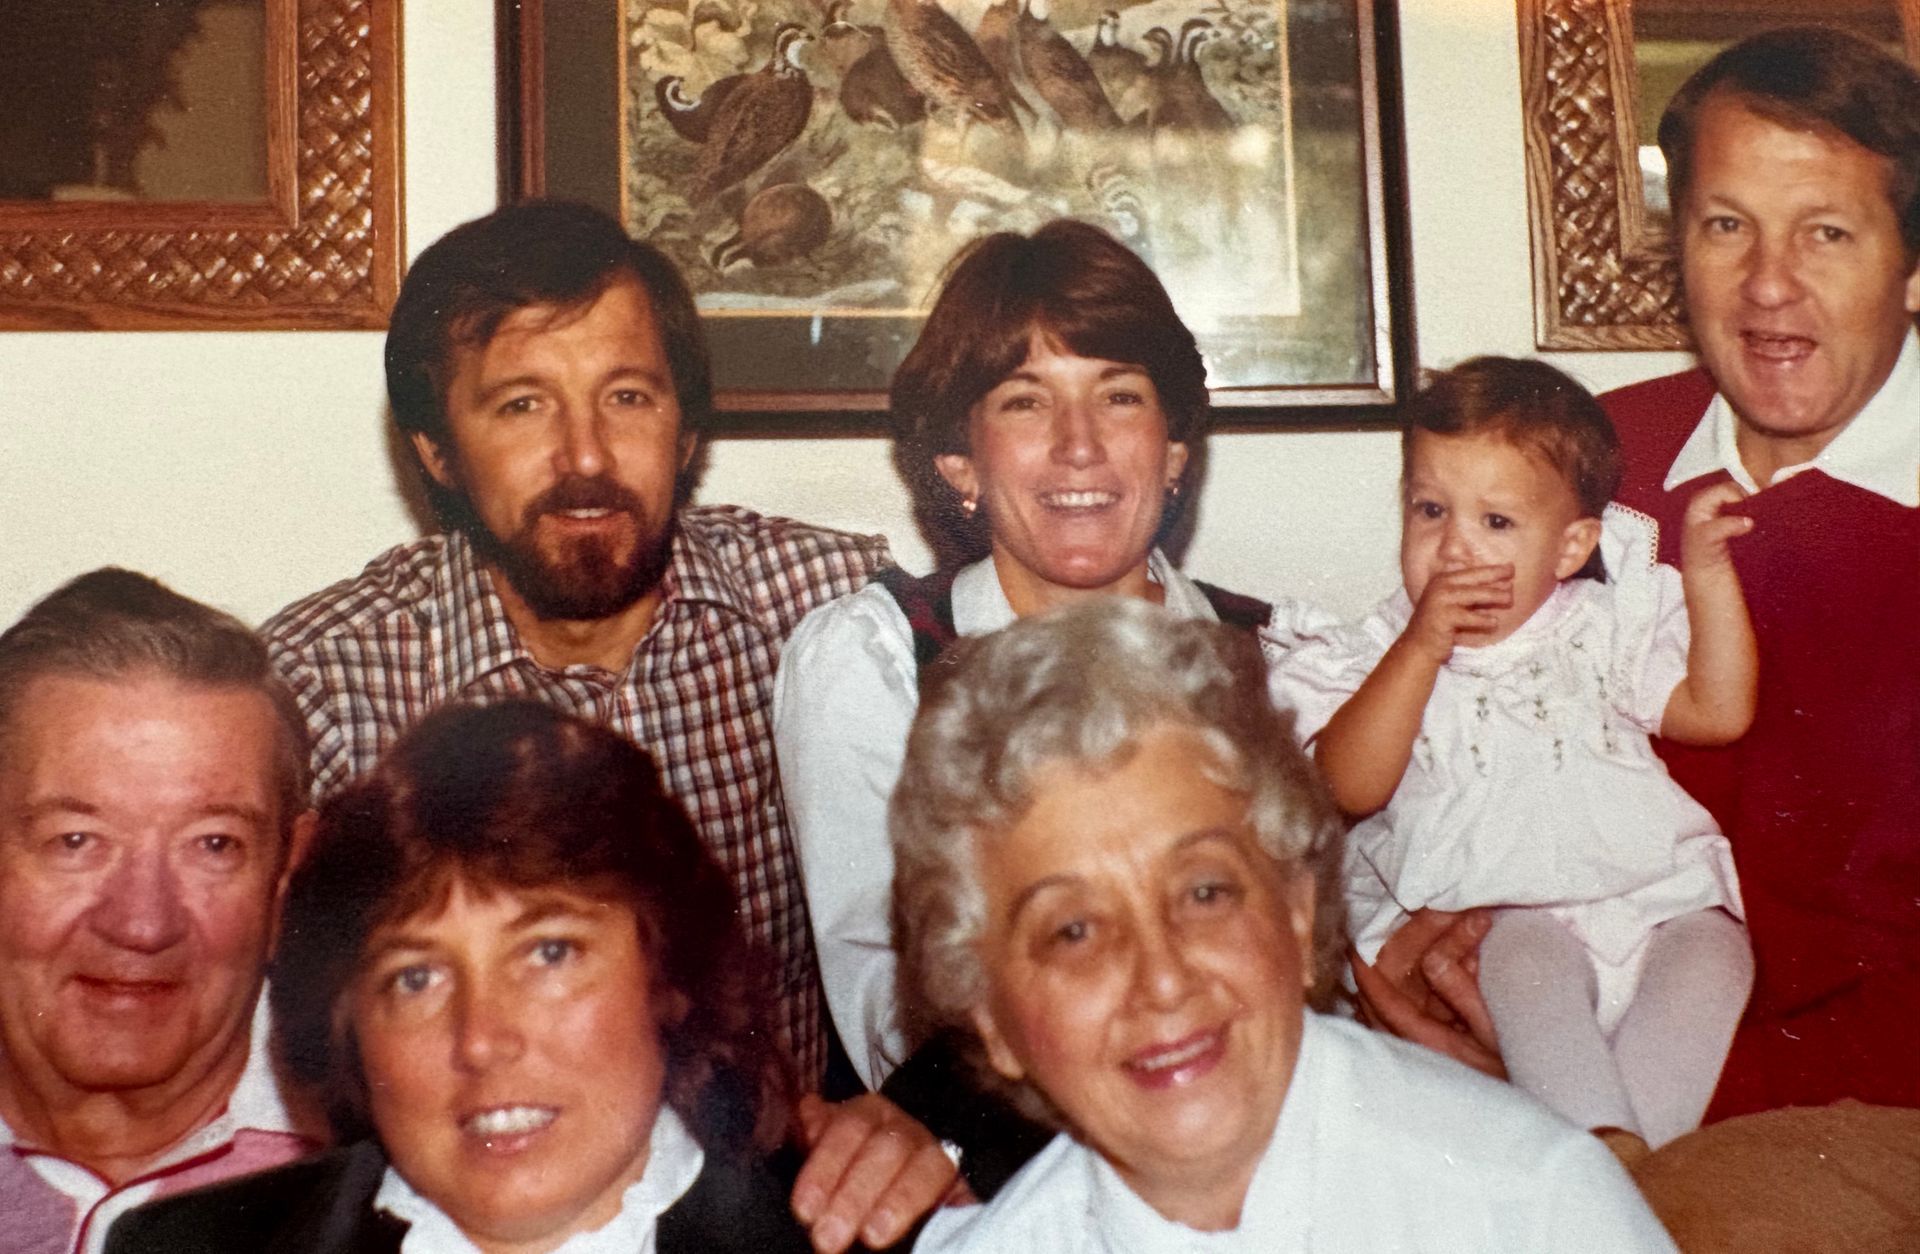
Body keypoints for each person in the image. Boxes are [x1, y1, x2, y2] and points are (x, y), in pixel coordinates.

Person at [1355, 28, 1920, 1248]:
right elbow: (1430, 724)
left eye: (1827, 232)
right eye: (1726, 226)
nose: (1768, 284)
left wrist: (1577, 1086)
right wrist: (1401, 956)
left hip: (1846, 1111)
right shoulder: (1582, 463)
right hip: (1557, 1038)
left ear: (1912, 263)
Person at [262, 200, 891, 1091]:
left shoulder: (832, 616)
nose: (586, 456)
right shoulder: (322, 694)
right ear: (438, 452)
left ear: (688, 429)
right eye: (523, 406)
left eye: (627, 397)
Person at [889, 598, 1676, 1251]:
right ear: (990, 1020)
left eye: (1204, 893)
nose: (1162, 980)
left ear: (1298, 915)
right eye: (1073, 932)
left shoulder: (1532, 1210)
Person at [106, 701, 935, 1253]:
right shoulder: (184, 1248)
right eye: (416, 979)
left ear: (668, 980)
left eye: (548, 954)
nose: (482, 1041)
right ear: (348, 1030)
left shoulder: (870, 1241)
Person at [773, 219, 1288, 1093]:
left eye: (1118, 396)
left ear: (1173, 451)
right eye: (1025, 401)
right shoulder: (875, 661)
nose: (1078, 443)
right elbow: (891, 1011)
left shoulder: (1282, 660)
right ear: (961, 463)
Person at [1268, 357, 1756, 1153]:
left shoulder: (1602, 625)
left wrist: (1708, 576)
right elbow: (1350, 786)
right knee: (1529, 968)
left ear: (1570, 548)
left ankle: (1637, 1171)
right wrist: (1421, 647)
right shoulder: (1380, 650)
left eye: (1495, 523)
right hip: (1506, 916)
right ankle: (1606, 1146)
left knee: (1717, 952)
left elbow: (1718, 712)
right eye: (1431, 510)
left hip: (1652, 894)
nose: (1454, 549)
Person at [0, 569, 325, 1254]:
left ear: (286, 882)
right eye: (76, 841)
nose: (143, 925)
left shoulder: (401, 1181)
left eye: (213, 845)